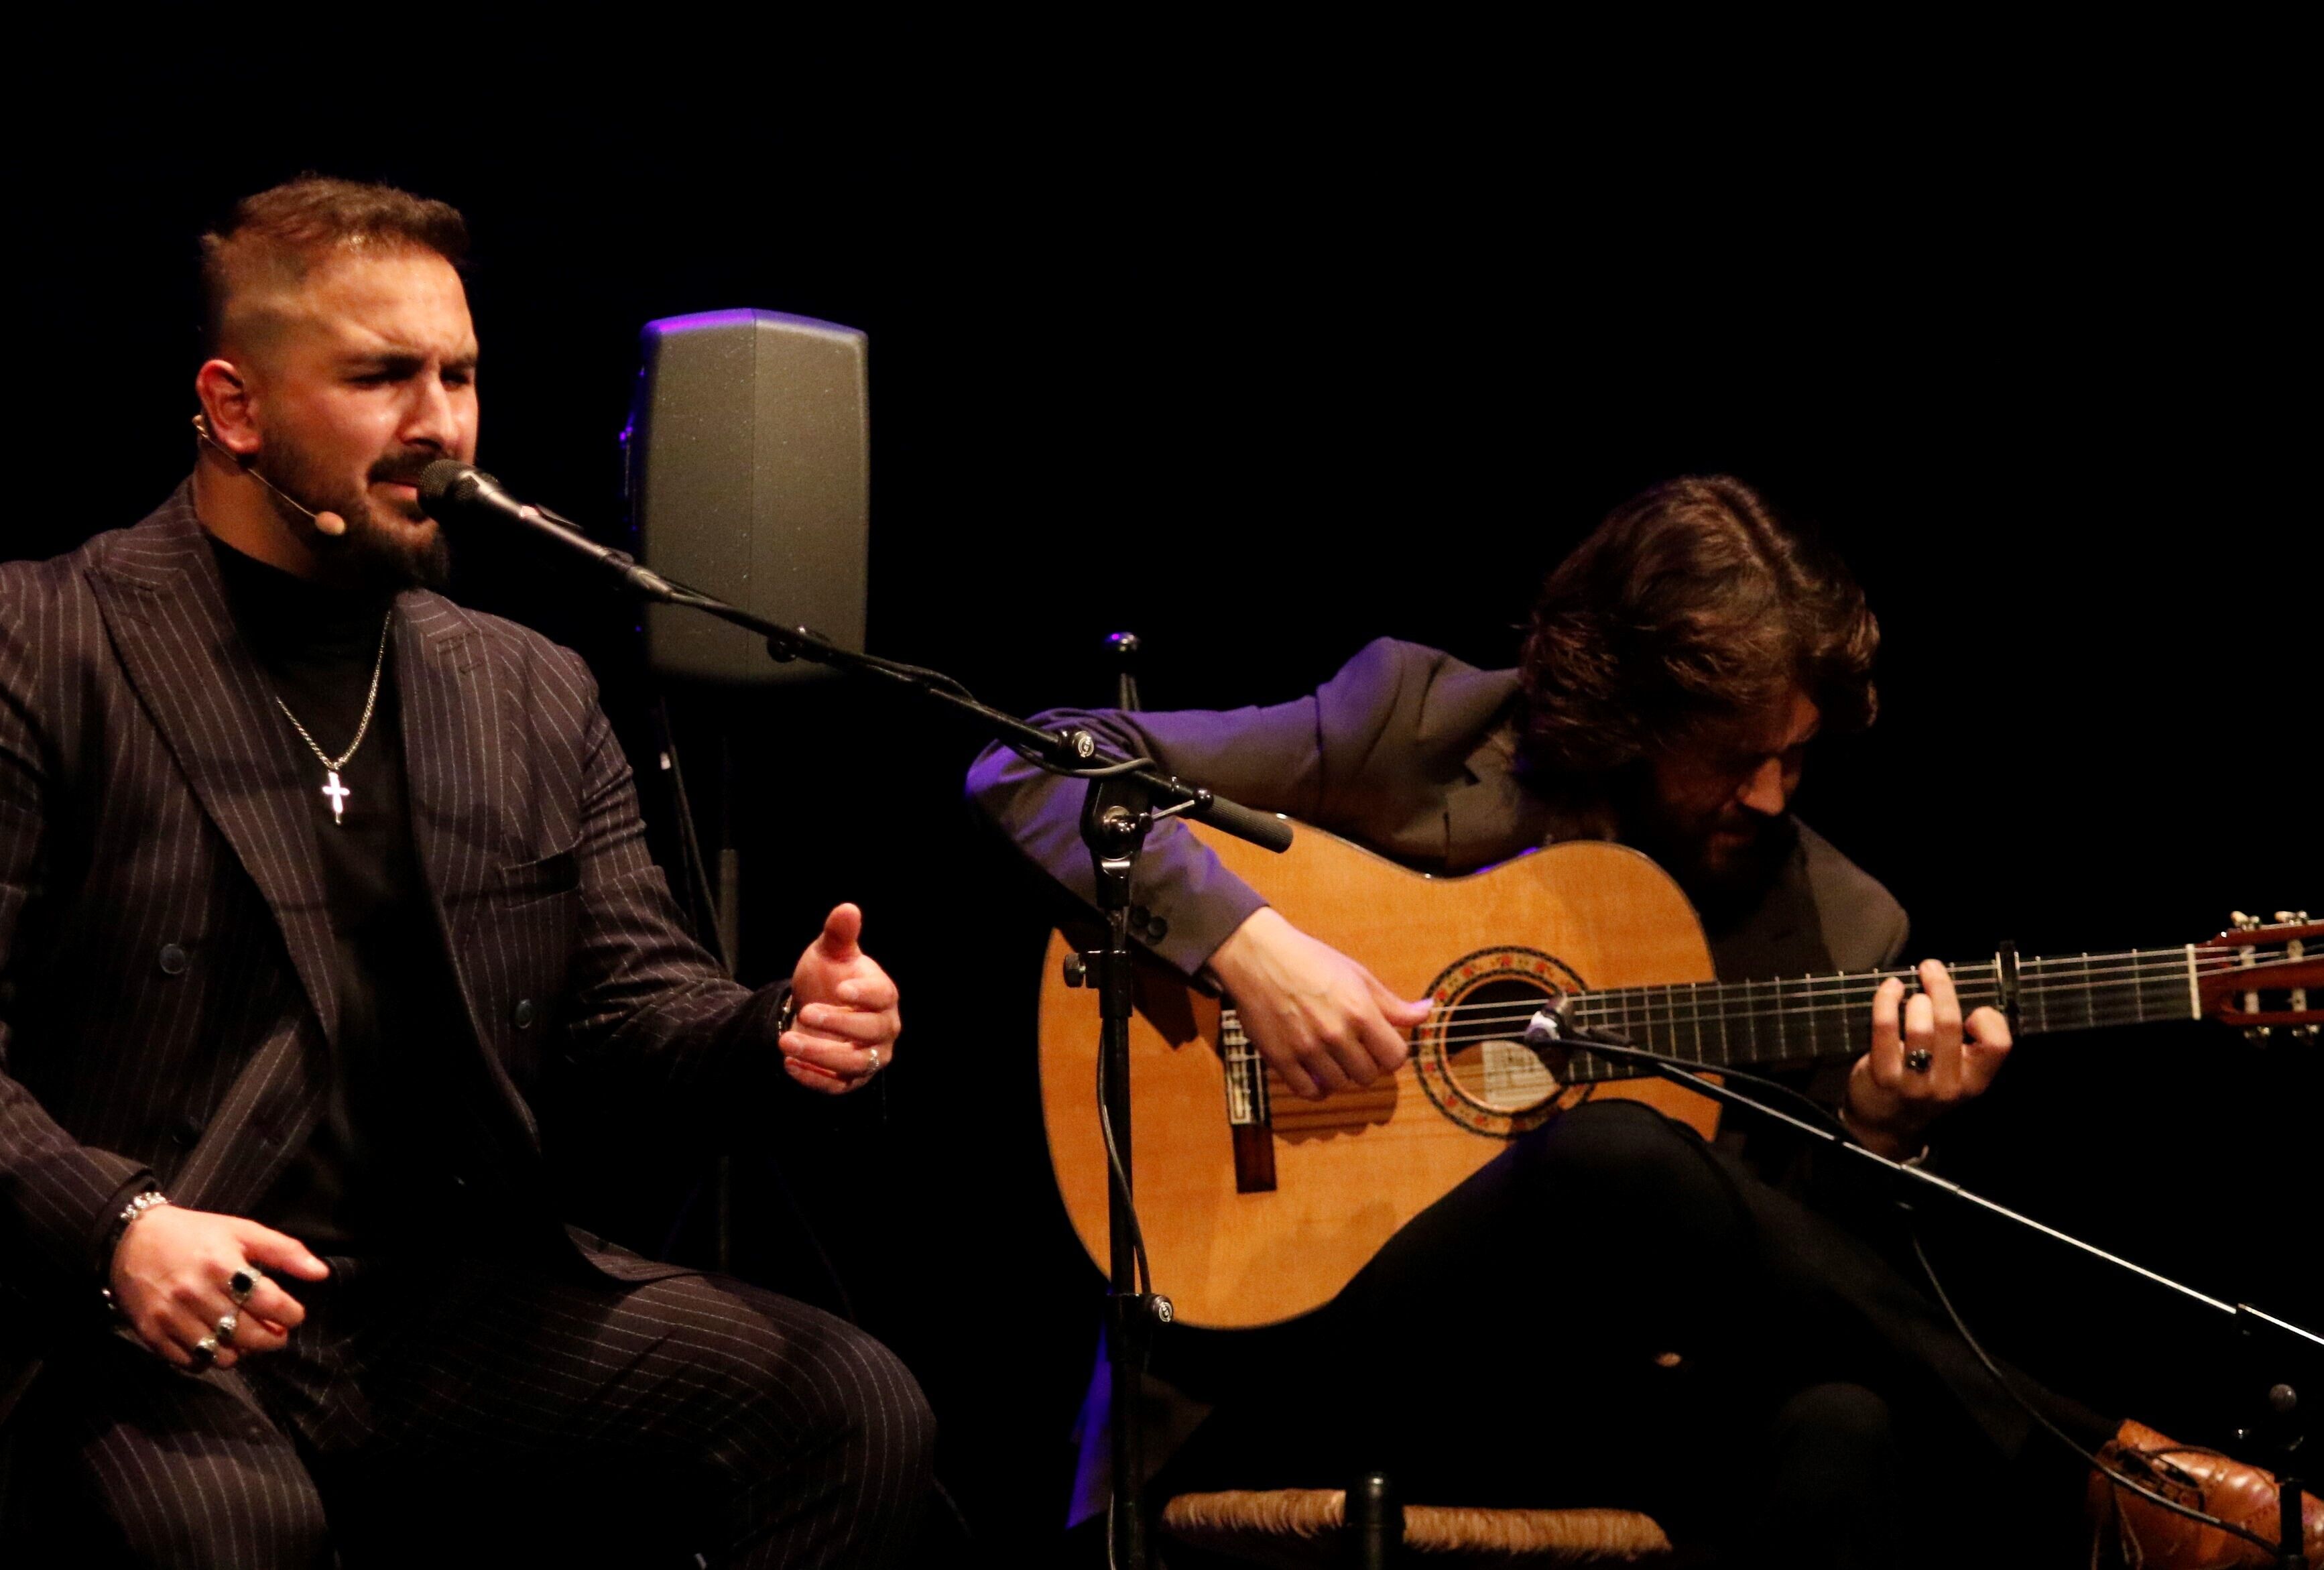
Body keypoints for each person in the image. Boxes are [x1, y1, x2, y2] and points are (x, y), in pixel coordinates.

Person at [0, 176, 934, 1569]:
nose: (440, 422)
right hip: (112, 1316)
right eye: (381, 376)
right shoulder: (36, 642)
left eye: (460, 375)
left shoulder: (522, 687)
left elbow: (633, 1014)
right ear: (233, 407)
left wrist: (782, 1033)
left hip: (430, 1312)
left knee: (844, 1409)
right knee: (234, 1527)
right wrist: (117, 1227)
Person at [969, 476, 2317, 1569]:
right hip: (1300, 1351)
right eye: (1739, 755)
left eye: (1800, 756)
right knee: (1613, 1151)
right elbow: (1031, 764)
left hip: (1604, 1397)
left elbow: (1785, 1284)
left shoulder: (1843, 927)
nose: (1776, 797)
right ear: (1629, 702)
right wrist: (1255, 949)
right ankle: (2106, 1479)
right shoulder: (1421, 728)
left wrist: (1873, 1134)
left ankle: (2117, 1496)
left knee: (1843, 1426)